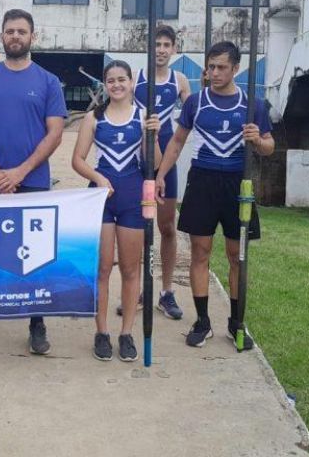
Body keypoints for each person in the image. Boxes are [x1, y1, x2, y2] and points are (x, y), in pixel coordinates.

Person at [0, 8, 67, 355]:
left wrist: (20, 172)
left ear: (33, 37)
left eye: (22, 31)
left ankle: (37, 323)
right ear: (2, 37)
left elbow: (55, 133)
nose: (15, 36)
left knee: (35, 258)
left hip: (32, 180)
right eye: (9, 31)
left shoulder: (48, 81)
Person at [155, 41, 274, 350]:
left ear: (236, 69)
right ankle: (203, 321)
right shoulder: (196, 102)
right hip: (203, 181)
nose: (215, 72)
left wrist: (257, 141)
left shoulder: (253, 105)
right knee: (200, 253)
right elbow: (177, 142)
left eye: (222, 67)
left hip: (237, 183)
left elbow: (270, 146)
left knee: (237, 256)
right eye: (211, 66)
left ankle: (237, 323)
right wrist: (160, 176)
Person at [71, 60, 161, 362]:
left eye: (122, 79)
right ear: (105, 85)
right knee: (103, 268)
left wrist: (155, 135)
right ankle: (102, 332)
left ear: (132, 82)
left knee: (131, 268)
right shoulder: (94, 118)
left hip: (133, 195)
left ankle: (126, 333)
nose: (117, 85)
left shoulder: (144, 116)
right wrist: (97, 178)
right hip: (101, 197)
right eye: (111, 81)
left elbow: (155, 162)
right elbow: (78, 159)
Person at [131, 24, 191, 320]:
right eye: (157, 44)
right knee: (139, 228)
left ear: (174, 49)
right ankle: (139, 289)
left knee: (166, 227)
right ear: (149, 48)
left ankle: (167, 292)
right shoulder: (133, 80)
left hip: (167, 158)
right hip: (138, 159)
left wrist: (164, 169)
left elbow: (192, 118)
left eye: (167, 44)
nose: (162, 49)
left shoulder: (179, 81)